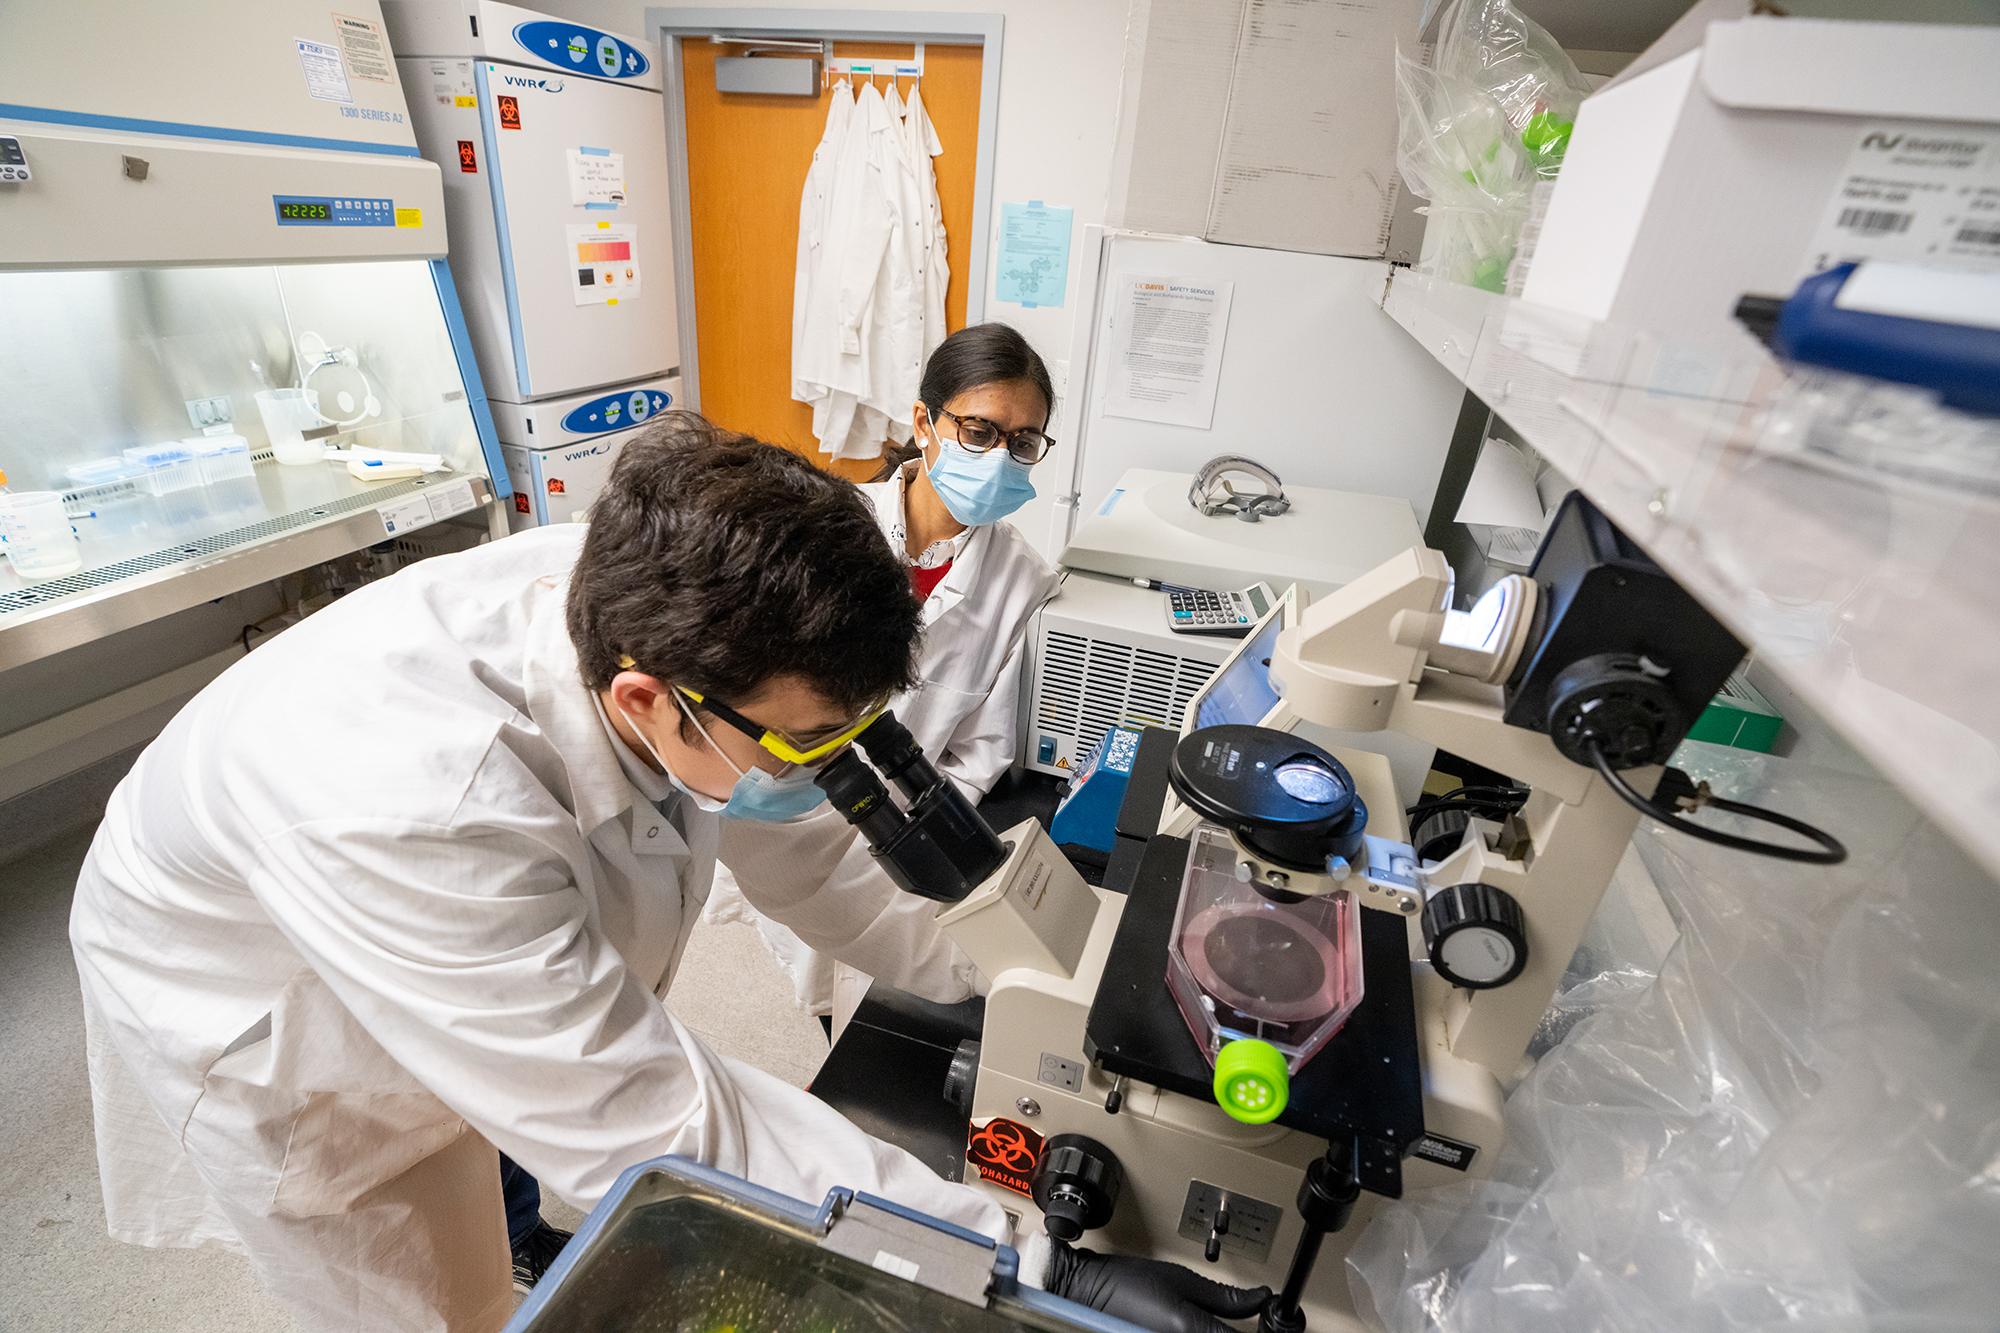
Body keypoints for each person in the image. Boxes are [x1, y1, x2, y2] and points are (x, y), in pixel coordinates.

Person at [69, 413, 1265, 1333]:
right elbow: (651, 1125)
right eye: (806, 741)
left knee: (511, 1138)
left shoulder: (666, 616)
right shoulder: (416, 804)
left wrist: (1062, 977)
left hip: (442, 918)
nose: (832, 768)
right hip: (270, 1009)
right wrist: (1039, 1262)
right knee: (425, 1296)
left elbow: (818, 859)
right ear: (646, 699)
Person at [708, 322, 1063, 1029]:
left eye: (1022, 442)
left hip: (901, 821)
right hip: (777, 792)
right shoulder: (828, 525)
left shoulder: (1026, 582)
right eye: (980, 431)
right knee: (802, 963)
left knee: (873, 988)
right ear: (925, 422)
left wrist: (909, 834)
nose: (1000, 458)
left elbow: (983, 749)